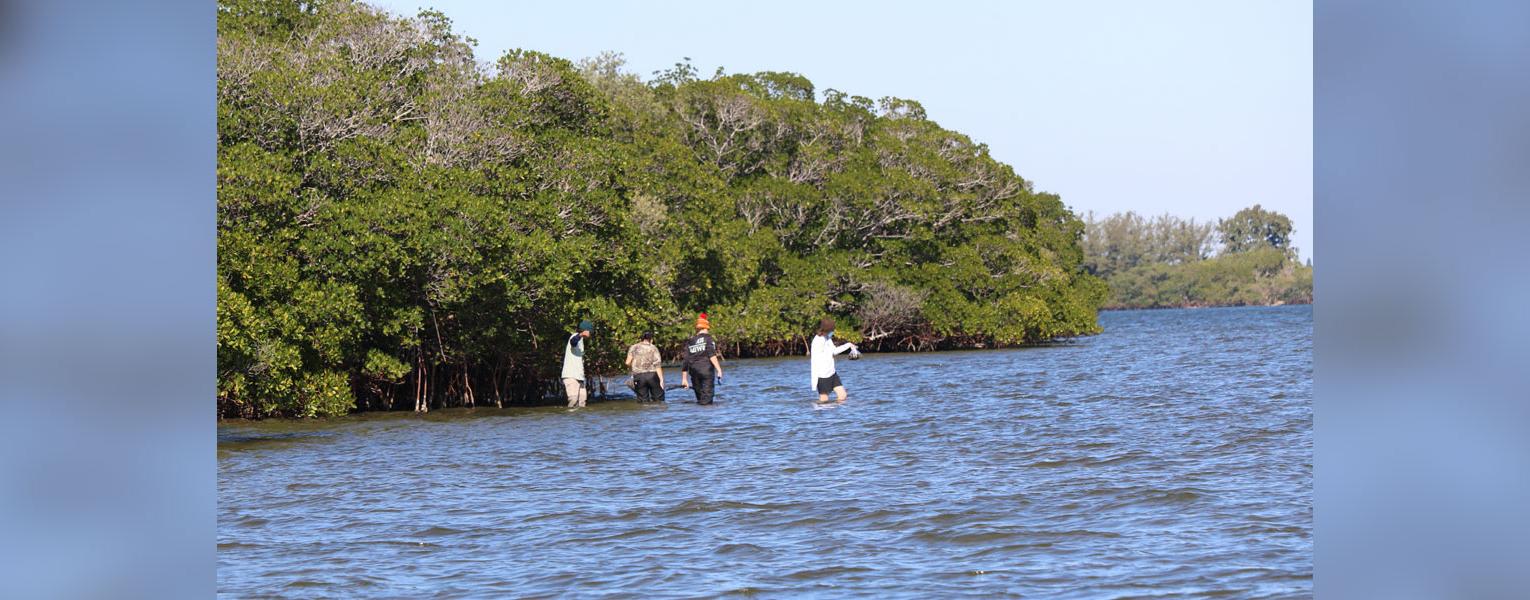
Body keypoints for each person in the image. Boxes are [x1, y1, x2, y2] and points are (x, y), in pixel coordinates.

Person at [810, 317, 856, 404]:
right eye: (831, 329)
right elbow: (816, 359)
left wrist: (849, 345)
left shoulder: (827, 338)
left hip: (832, 373)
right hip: (822, 375)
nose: (833, 331)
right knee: (824, 401)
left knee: (843, 396)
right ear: (826, 329)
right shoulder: (818, 341)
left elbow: (834, 351)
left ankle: (837, 414)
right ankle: (825, 415)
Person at [680, 312, 723, 405]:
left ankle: (698, 417)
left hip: (694, 371)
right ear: (706, 327)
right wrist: (719, 370)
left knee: (700, 399)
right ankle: (706, 418)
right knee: (707, 400)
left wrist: (684, 379)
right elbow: (711, 355)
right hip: (706, 371)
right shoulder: (708, 339)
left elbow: (686, 360)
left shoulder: (691, 341)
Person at [625, 331, 666, 403]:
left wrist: (634, 369)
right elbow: (657, 365)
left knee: (643, 401)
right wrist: (661, 380)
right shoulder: (653, 348)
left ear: (641, 338)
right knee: (659, 400)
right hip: (652, 375)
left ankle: (646, 413)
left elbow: (627, 362)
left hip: (639, 376)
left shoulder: (633, 347)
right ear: (651, 339)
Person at [561, 320, 593, 408]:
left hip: (579, 377)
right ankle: (570, 420)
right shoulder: (575, 336)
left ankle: (580, 421)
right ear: (586, 330)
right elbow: (573, 342)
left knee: (582, 402)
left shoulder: (581, 341)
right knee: (573, 401)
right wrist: (581, 334)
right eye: (590, 331)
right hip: (571, 376)